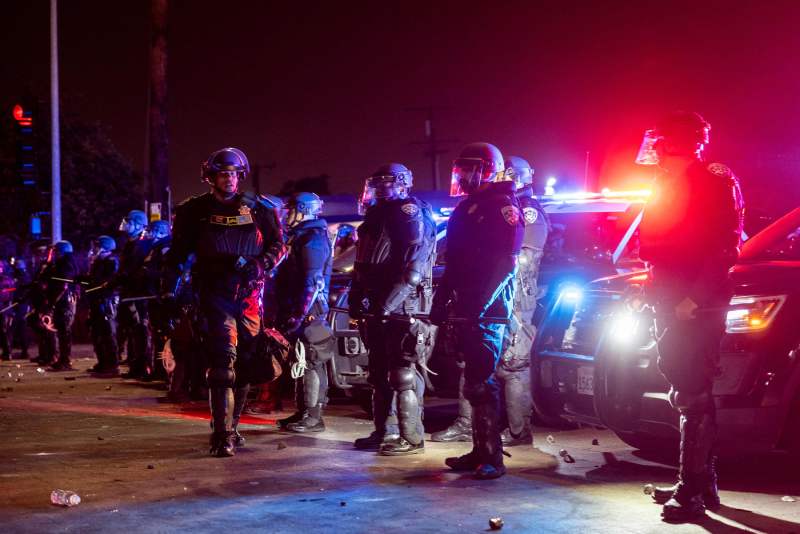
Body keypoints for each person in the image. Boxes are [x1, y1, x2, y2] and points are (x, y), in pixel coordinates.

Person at [636, 111, 744, 521]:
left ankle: (692, 491)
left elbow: (724, 247)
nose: (655, 148)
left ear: (676, 141)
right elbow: (658, 247)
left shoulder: (714, 180)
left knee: (693, 394)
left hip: (695, 304)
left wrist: (694, 299)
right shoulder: (665, 182)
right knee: (685, 389)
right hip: (671, 298)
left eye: (661, 140)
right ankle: (702, 483)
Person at [166, 147, 285, 457]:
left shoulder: (259, 208)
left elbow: (278, 245)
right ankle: (222, 435)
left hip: (249, 296)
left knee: (245, 365)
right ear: (211, 177)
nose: (229, 179)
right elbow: (177, 254)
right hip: (213, 294)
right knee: (222, 366)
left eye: (233, 174)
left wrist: (261, 264)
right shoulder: (194, 210)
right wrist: (169, 292)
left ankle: (233, 426)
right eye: (223, 174)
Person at [431, 155, 548, 446]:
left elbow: (519, 260)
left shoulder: (524, 209)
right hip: (482, 295)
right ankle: (468, 426)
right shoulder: (482, 205)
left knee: (513, 362)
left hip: (511, 296)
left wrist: (485, 297)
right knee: (472, 363)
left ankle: (518, 431)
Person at [430, 142, 524, 479]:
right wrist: (441, 301)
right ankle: (478, 450)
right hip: (466, 305)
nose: (462, 176)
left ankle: (492, 458)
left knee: (482, 383)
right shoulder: (468, 206)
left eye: (468, 169)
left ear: (487, 169)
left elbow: (506, 264)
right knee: (472, 381)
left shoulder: (502, 205)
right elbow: (454, 262)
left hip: (488, 308)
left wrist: (481, 306)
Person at [350, 163, 437, 456]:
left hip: (403, 305)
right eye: (376, 183)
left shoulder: (409, 212)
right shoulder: (378, 214)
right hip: (377, 303)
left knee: (402, 373)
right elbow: (363, 263)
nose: (379, 189)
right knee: (377, 372)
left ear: (401, 183)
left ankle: (411, 437)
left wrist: (387, 305)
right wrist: (357, 296)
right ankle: (383, 431)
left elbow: (413, 268)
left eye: (385, 183)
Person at [275, 192, 335, 433]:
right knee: (301, 359)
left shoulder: (312, 238)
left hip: (310, 310)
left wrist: (300, 313)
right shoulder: (299, 236)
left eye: (290, 210)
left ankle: (313, 416)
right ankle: (303, 411)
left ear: (303, 210)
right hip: (299, 307)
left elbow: (313, 281)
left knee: (311, 360)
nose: (286, 215)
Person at [116, 209, 155, 379]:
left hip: (140, 294)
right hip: (129, 293)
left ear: (139, 225)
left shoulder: (143, 245)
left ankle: (143, 367)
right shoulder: (130, 244)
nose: (126, 225)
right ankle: (135, 366)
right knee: (132, 331)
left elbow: (135, 271)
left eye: (130, 222)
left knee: (141, 331)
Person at [85, 235, 121, 376]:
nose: (94, 249)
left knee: (107, 333)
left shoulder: (111, 261)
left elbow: (109, 281)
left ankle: (112, 365)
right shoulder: (97, 262)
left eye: (97, 246)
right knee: (97, 333)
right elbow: (93, 280)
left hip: (107, 300)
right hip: (96, 299)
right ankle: (102, 362)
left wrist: (98, 285)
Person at [42, 241, 79, 371]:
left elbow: (63, 286)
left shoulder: (66, 264)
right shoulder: (58, 264)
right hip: (61, 301)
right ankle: (62, 359)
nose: (54, 254)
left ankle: (65, 361)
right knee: (61, 331)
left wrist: (53, 302)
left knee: (64, 331)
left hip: (64, 301)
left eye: (56, 251)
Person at [143, 220, 173, 379]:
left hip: (162, 297)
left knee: (163, 335)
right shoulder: (156, 247)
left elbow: (166, 272)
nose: (149, 234)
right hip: (154, 295)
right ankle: (158, 370)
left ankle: (163, 371)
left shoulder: (166, 246)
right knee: (156, 334)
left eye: (152, 230)